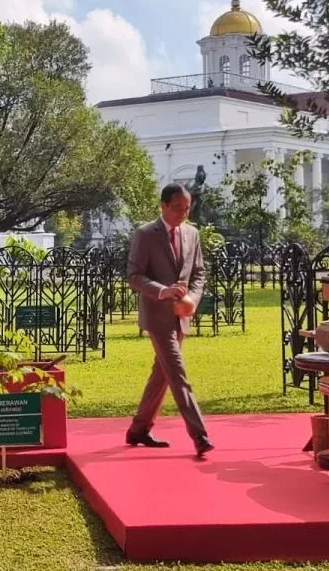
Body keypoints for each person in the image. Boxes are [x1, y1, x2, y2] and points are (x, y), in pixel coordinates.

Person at [124, 183, 215, 457]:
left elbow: (198, 273)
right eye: (177, 208)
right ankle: (200, 436)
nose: (183, 214)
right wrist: (163, 291)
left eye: (187, 208)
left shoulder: (192, 233)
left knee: (162, 374)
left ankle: (139, 429)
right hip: (157, 315)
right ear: (163, 206)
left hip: (181, 315)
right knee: (177, 372)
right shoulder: (145, 234)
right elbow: (134, 275)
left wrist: (192, 301)